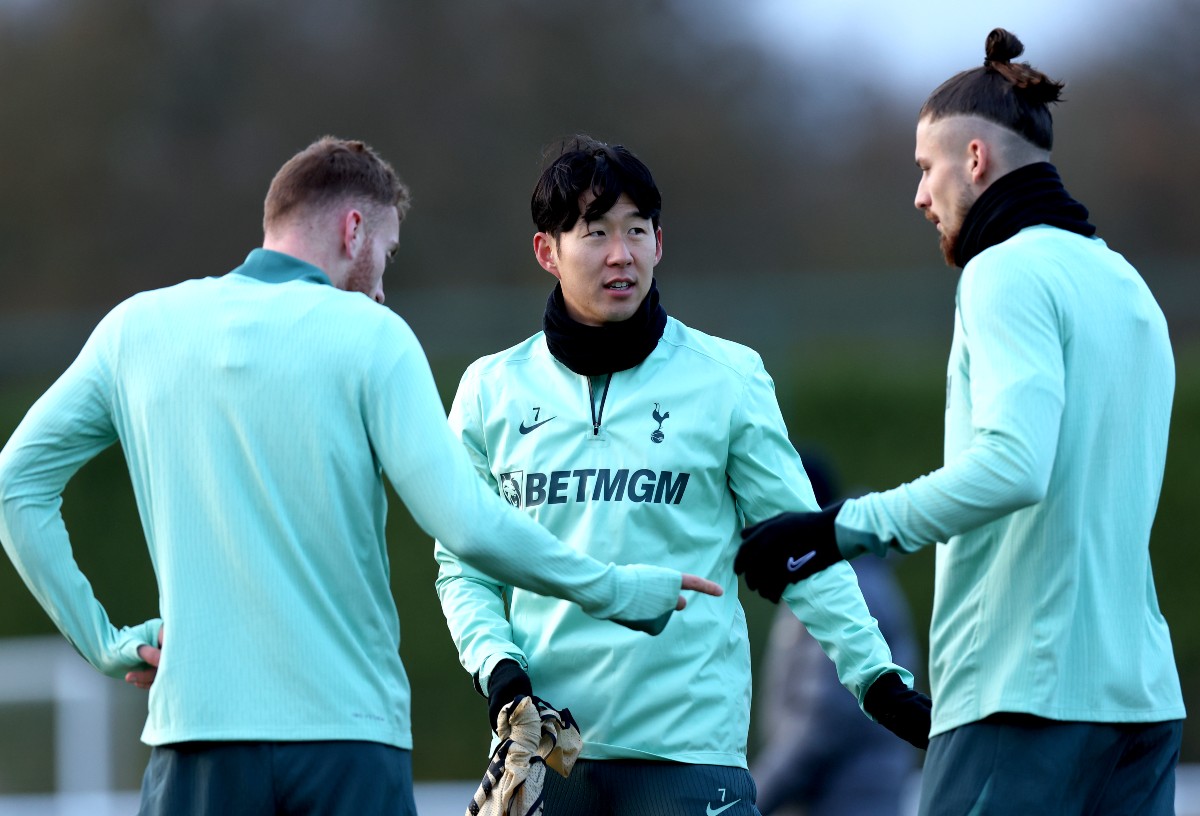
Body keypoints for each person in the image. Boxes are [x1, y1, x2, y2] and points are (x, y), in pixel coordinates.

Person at [0, 136, 722, 816]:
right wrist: (618, 588)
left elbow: (14, 486)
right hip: (350, 743)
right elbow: (468, 523)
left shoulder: (138, 329)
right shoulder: (372, 336)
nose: (380, 286)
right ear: (353, 231)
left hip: (196, 742)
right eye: (387, 252)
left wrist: (101, 639)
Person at [736, 29, 1185, 816]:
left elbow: (1015, 463)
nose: (919, 196)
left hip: (1023, 698)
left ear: (974, 159)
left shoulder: (1002, 269)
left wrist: (839, 528)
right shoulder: (1127, 284)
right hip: (1143, 706)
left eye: (924, 168)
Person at [434, 135, 931, 816]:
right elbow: (464, 564)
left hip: (688, 760)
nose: (621, 254)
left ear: (659, 243)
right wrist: (497, 667)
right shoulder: (490, 389)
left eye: (637, 231)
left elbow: (801, 548)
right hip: (548, 756)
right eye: (596, 232)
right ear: (547, 251)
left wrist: (877, 679)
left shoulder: (728, 378)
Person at [752, 450, 920, 816]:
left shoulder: (845, 589)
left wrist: (751, 799)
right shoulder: (830, 577)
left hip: (852, 800)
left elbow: (821, 721)